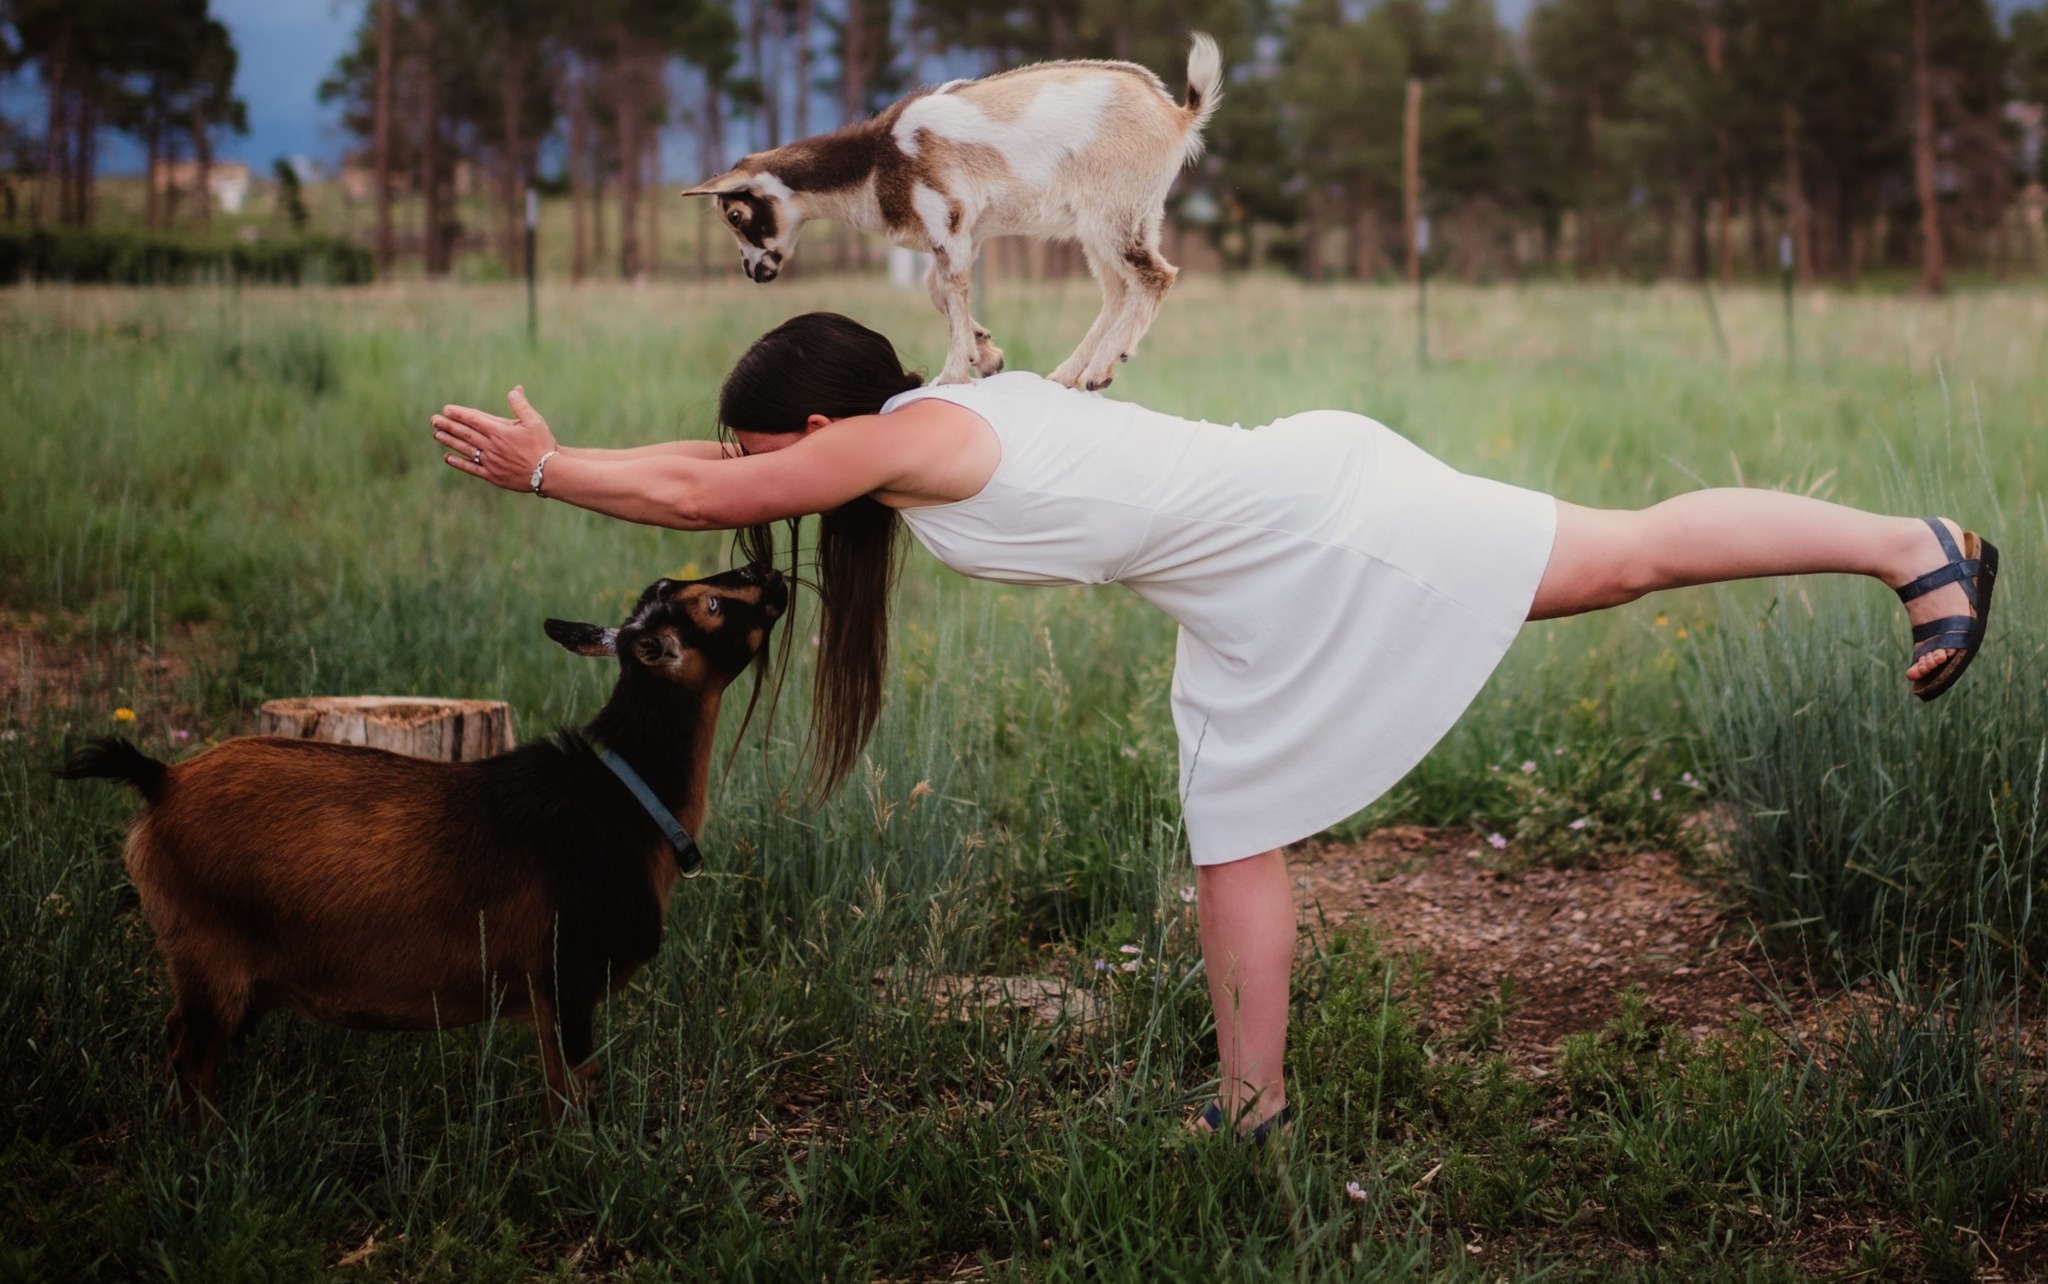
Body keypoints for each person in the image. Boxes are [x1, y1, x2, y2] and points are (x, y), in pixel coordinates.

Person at [431, 312, 1998, 1142]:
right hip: (1251, 578)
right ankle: (1252, 1107)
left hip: (1325, 531)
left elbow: (713, 491)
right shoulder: (927, 418)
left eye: (780, 455)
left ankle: (1904, 544)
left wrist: (541, 474)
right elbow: (717, 464)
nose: (765, 479)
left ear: (828, 436)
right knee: (1232, 823)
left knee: (1630, 548)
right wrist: (583, 451)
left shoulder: (927, 434)